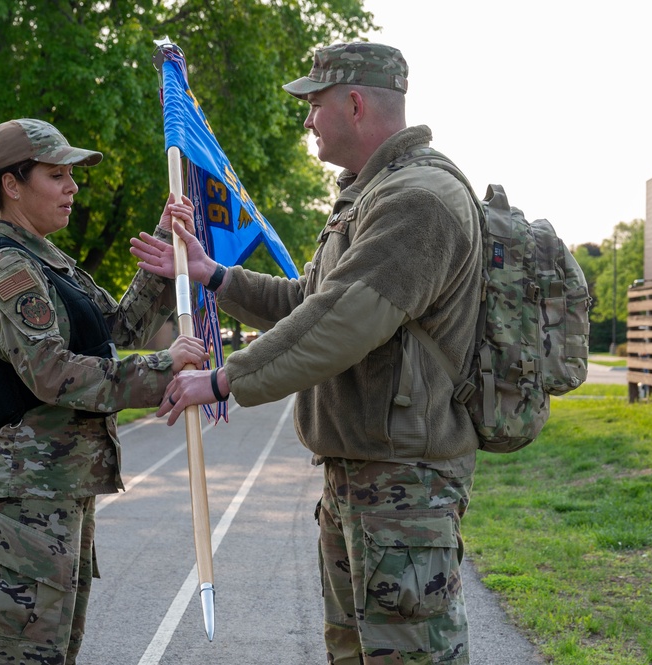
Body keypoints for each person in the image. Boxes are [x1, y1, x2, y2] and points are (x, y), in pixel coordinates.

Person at [133, 43, 483, 664]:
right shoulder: (370, 195)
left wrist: (224, 380)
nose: (307, 120)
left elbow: (343, 319)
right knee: (351, 653)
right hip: (361, 476)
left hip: (403, 483)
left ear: (353, 104)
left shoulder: (419, 200)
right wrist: (211, 272)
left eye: (314, 105)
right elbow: (307, 299)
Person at [0, 118, 208, 665]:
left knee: (55, 652)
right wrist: (166, 369)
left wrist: (165, 239)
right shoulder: (6, 266)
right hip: (29, 493)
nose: (73, 188)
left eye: (72, 176)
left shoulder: (49, 260)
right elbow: (52, 372)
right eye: (57, 175)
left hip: (59, 487)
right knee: (19, 655)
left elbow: (119, 331)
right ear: (12, 185)